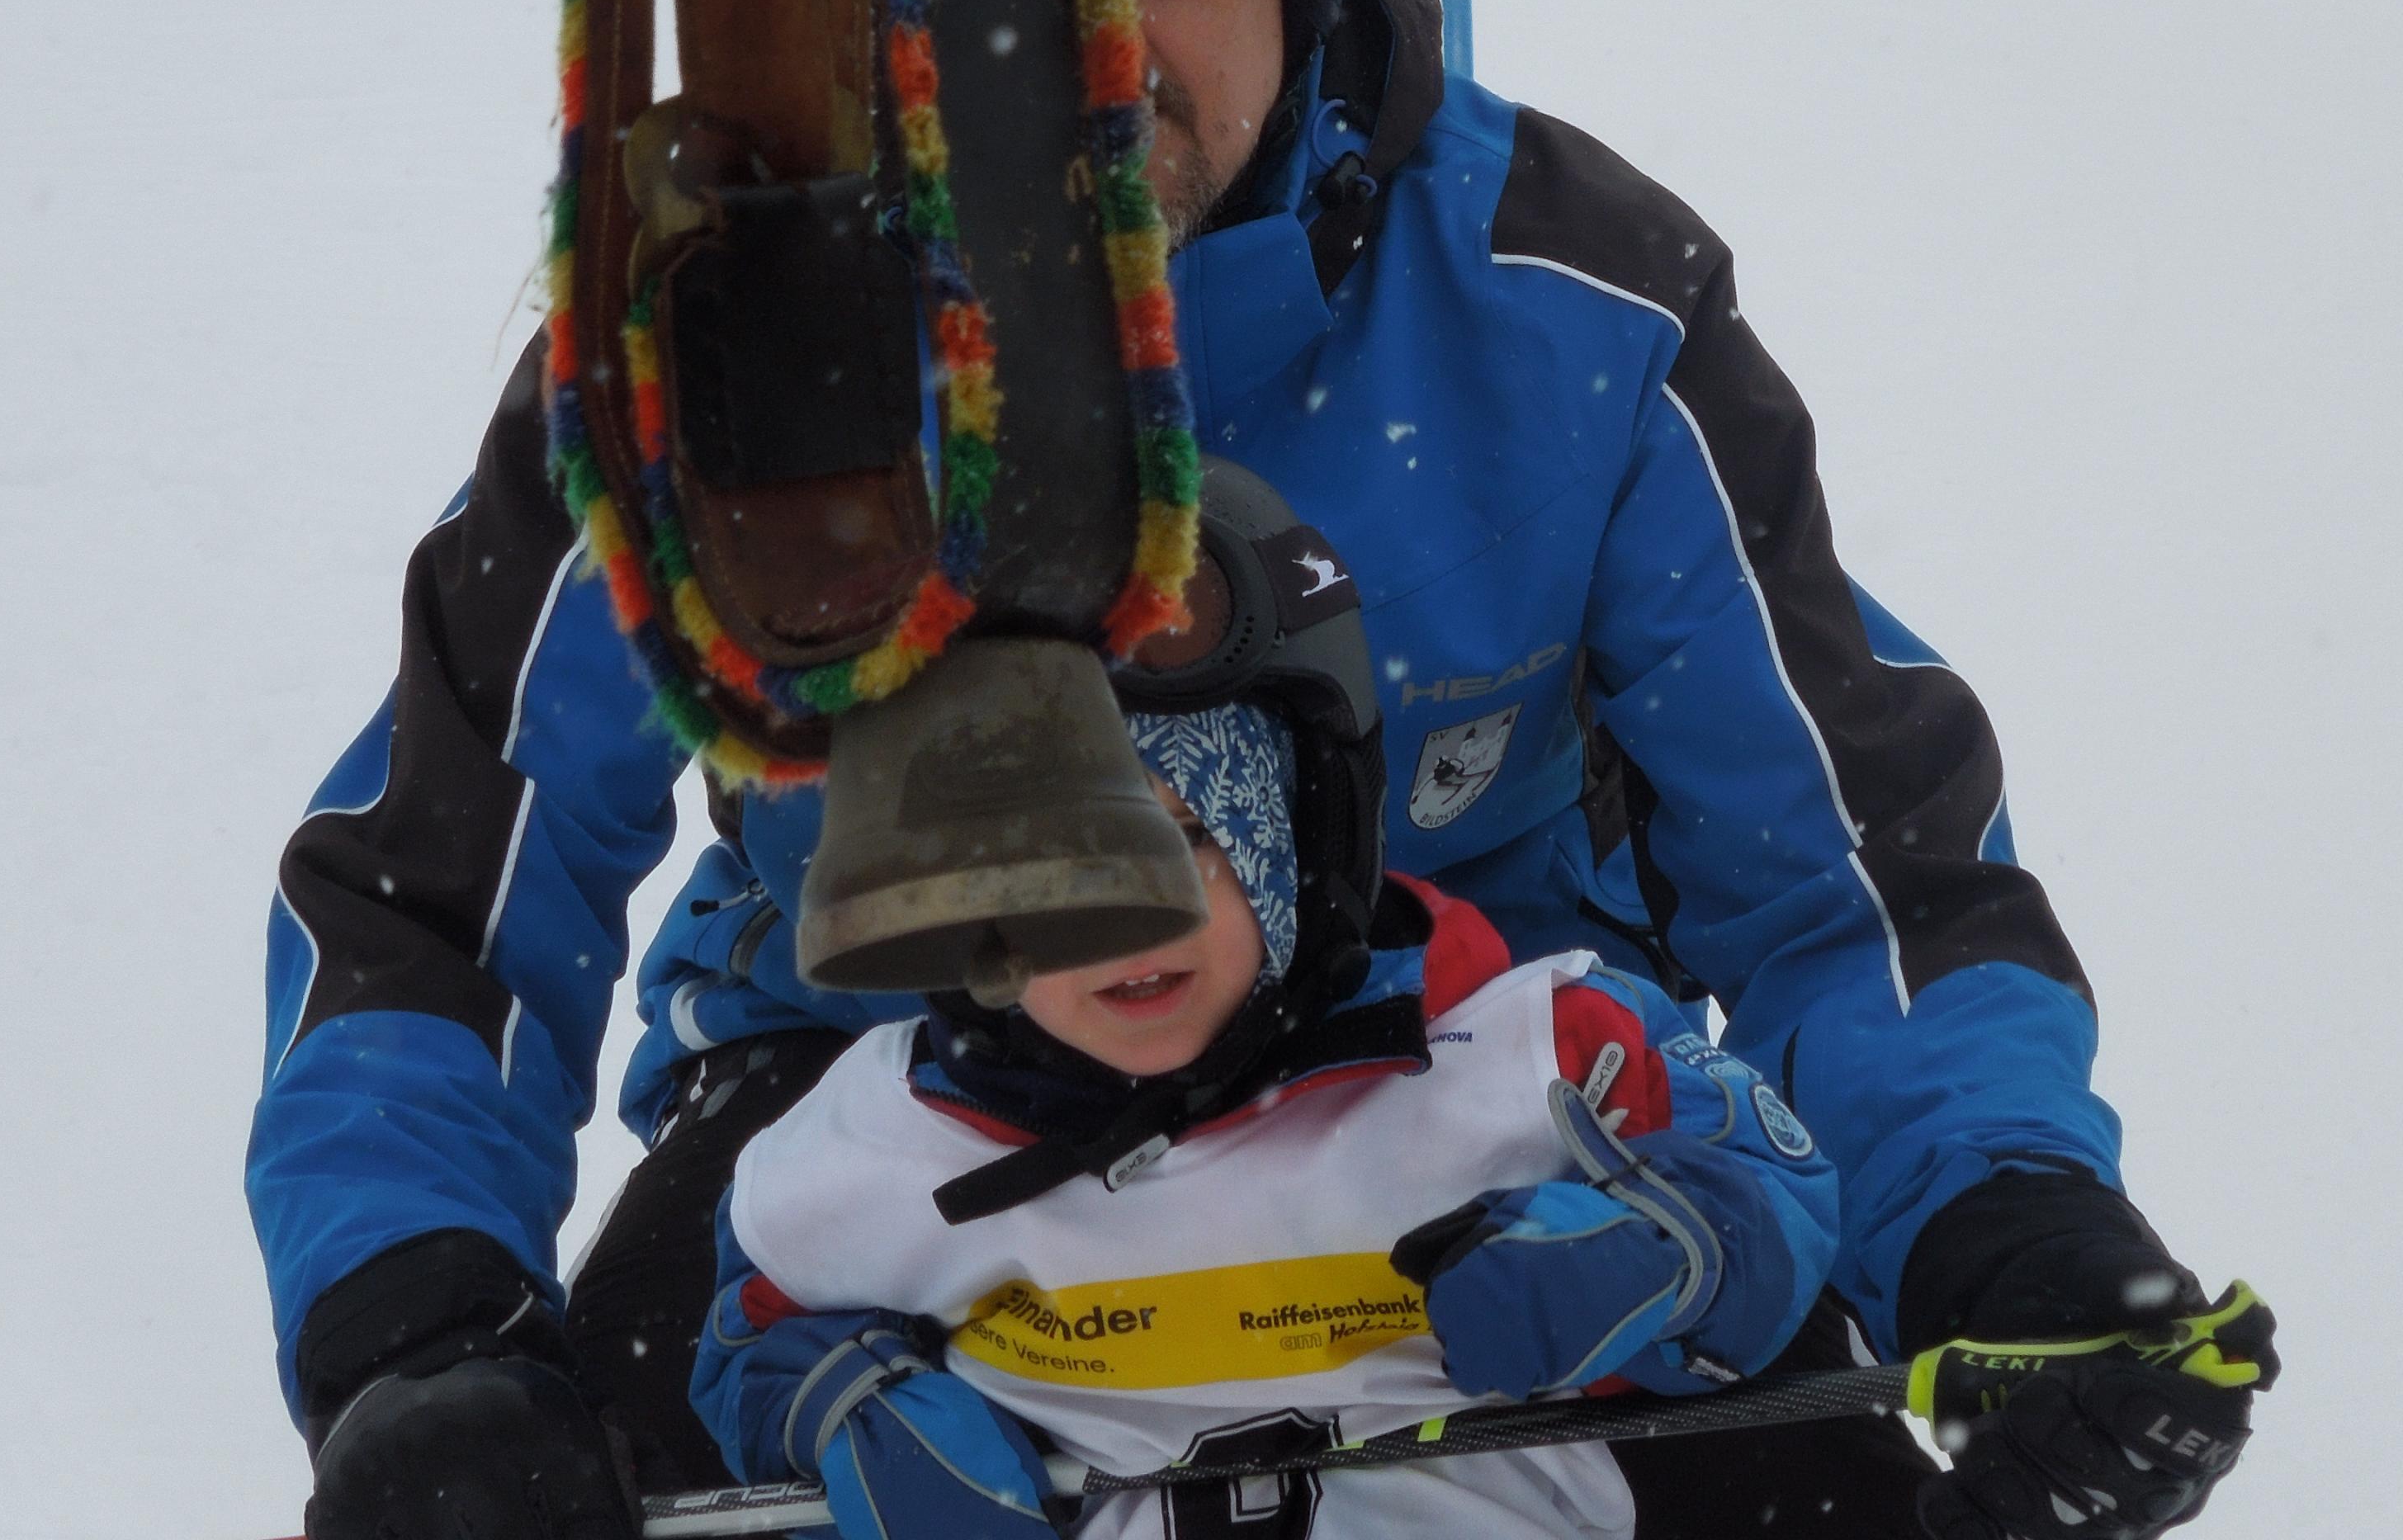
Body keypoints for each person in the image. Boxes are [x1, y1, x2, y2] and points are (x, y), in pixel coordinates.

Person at [255, 0, 2271, 1540]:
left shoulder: (1572, 314)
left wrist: (1999, 1226)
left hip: (1490, 1096)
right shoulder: (719, 351)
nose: (1066, 59)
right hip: (886, 1103)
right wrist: (418, 1329)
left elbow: (1850, 872)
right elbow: (444, 896)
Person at [689, 474, 1838, 1539]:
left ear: (1300, 832)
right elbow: (751, 1334)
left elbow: (1776, 1183)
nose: (1129, 923)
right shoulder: (878, 1148)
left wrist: (1666, 1254)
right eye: (1051, 873)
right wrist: (840, 1404)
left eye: (1192, 837)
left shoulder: (1533, 1054)